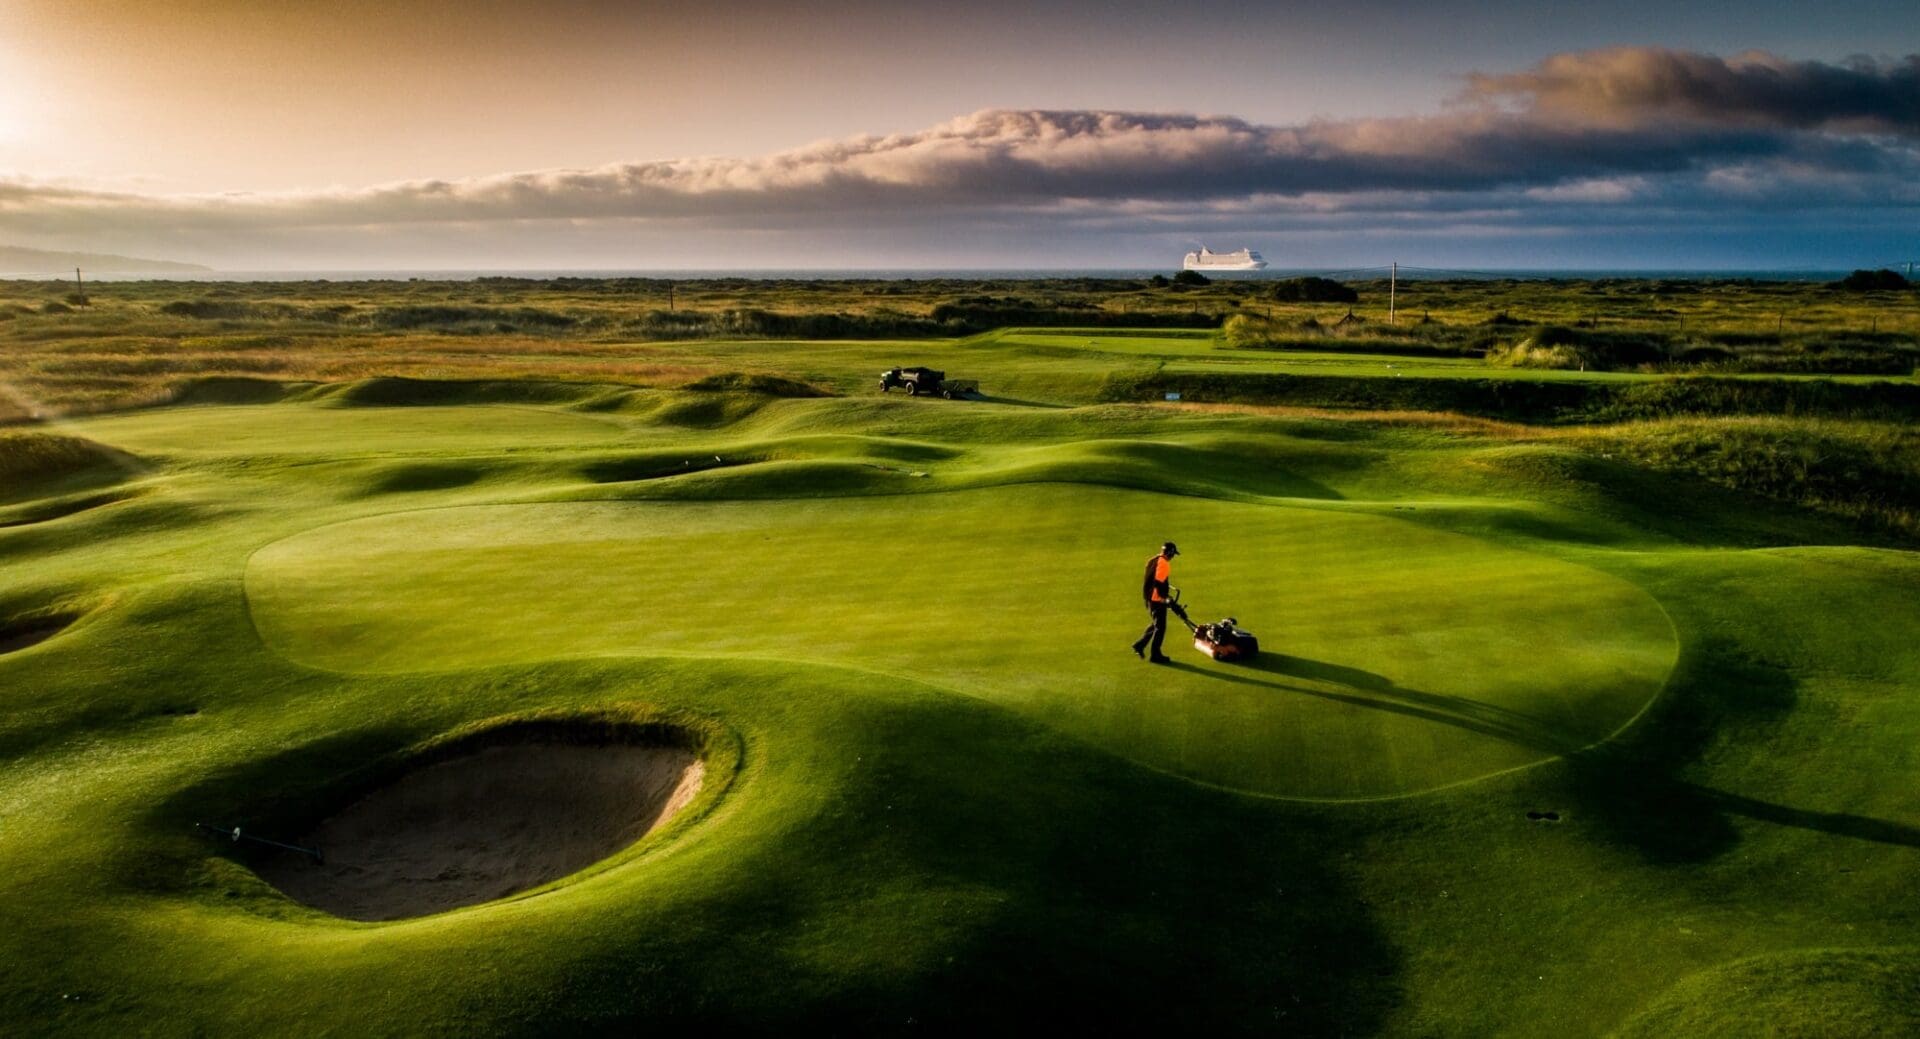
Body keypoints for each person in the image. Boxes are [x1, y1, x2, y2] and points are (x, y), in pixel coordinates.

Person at [1131, 541, 1180, 663]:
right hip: (1156, 600)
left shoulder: (1152, 560)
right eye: (1173, 555)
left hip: (1147, 597)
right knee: (1161, 627)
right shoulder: (1164, 564)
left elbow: (1152, 579)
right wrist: (1164, 598)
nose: (1173, 557)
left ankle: (1139, 645)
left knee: (1156, 623)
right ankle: (1155, 655)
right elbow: (1158, 583)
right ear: (1170, 553)